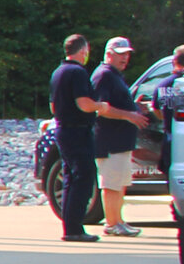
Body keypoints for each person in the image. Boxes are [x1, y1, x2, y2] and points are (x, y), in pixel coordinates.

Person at [48, 34, 102, 243]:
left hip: (62, 129)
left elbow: (53, 106)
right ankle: (75, 228)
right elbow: (84, 103)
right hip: (78, 130)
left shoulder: (58, 72)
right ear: (83, 50)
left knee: (71, 177)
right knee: (84, 177)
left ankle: (70, 226)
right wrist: (100, 106)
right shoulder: (78, 72)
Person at [92, 36, 145, 237]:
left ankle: (119, 220)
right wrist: (129, 114)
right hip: (109, 140)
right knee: (111, 183)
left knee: (120, 183)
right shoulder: (103, 75)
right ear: (109, 54)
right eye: (121, 54)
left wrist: (135, 107)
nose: (125, 58)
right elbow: (100, 108)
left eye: (127, 54)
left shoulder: (115, 75)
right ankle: (112, 223)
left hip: (121, 141)